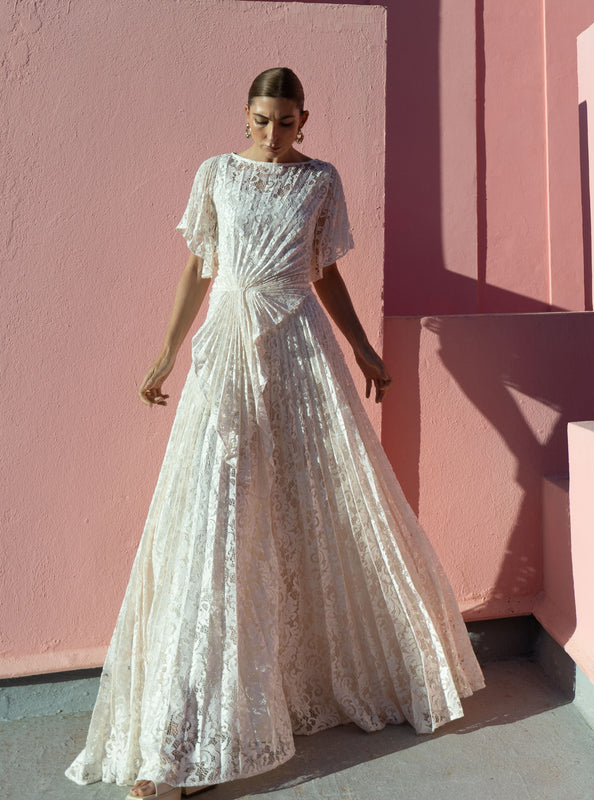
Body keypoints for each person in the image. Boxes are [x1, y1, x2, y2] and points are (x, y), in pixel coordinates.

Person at [65, 67, 485, 800]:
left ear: (304, 120)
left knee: (311, 509)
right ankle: (183, 746)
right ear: (246, 115)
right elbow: (200, 269)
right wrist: (166, 353)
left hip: (299, 351)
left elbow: (324, 274)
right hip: (228, 347)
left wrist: (363, 348)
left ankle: (288, 690)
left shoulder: (320, 180)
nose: (271, 133)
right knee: (215, 522)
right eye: (261, 119)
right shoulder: (216, 175)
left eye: (285, 121)